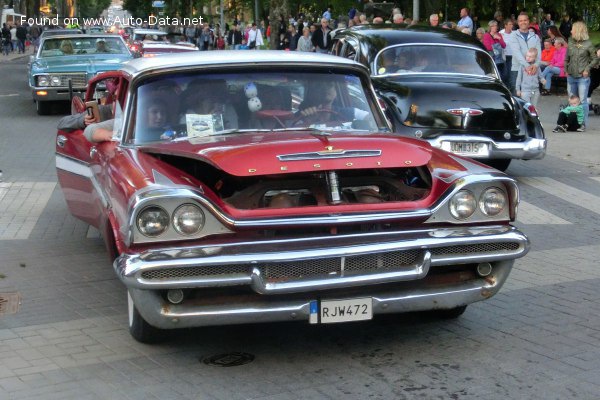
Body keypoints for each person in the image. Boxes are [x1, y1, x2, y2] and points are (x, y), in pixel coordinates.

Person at [564, 21, 599, 131]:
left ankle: (582, 124)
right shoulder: (570, 41)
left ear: (578, 30)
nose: (571, 31)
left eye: (573, 29)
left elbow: (595, 58)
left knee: (583, 101)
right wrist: (566, 69)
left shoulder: (588, 44)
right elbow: (566, 57)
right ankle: (571, 122)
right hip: (571, 75)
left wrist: (587, 69)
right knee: (571, 100)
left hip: (582, 77)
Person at [508, 14, 541, 96]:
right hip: (517, 69)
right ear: (518, 23)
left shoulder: (535, 37)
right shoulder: (513, 35)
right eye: (521, 20)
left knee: (531, 96)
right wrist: (526, 65)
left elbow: (539, 53)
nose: (523, 22)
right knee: (517, 96)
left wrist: (536, 65)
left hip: (532, 70)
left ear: (528, 21)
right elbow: (517, 52)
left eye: (525, 20)